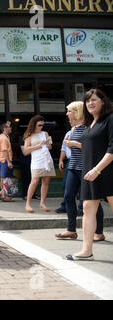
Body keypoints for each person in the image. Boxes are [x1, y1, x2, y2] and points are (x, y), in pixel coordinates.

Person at [67, 89, 113, 261]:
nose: (90, 103)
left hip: (106, 171)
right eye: (87, 101)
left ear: (103, 101)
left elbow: (112, 149)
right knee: (87, 208)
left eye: (94, 100)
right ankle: (86, 250)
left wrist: (97, 169)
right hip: (90, 172)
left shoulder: (110, 119)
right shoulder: (89, 123)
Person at [55, 101, 104, 240]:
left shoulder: (89, 128)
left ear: (78, 112)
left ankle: (99, 232)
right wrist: (70, 146)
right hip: (73, 166)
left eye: (69, 111)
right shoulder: (73, 129)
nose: (67, 114)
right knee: (68, 196)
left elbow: (93, 149)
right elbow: (77, 150)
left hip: (87, 168)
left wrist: (74, 144)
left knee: (92, 200)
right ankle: (71, 230)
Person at [23, 115, 55, 213]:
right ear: (34, 125)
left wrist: (47, 143)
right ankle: (28, 203)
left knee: (46, 181)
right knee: (35, 181)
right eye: (39, 125)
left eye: (42, 125)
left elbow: (50, 147)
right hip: (37, 161)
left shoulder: (45, 133)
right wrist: (38, 146)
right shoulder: (29, 135)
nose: (41, 127)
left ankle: (42, 203)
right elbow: (25, 151)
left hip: (47, 159)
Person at [0, 121, 15, 202]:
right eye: (9, 127)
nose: (11, 128)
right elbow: (4, 151)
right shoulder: (3, 138)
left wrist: (8, 124)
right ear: (5, 129)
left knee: (9, 178)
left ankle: (2, 193)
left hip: (4, 160)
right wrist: (9, 162)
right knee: (5, 178)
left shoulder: (5, 136)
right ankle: (3, 195)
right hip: (4, 160)